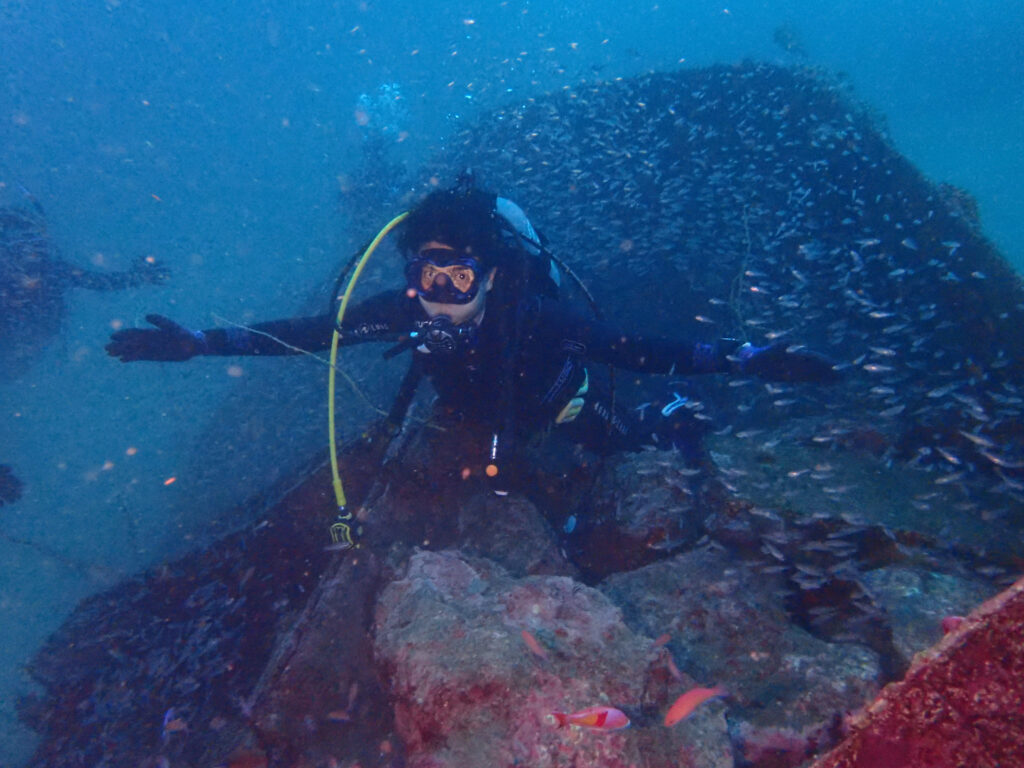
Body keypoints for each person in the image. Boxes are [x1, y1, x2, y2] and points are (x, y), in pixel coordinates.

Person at [106, 179, 838, 492]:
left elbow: (635, 349)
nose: (435, 299)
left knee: (619, 443)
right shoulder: (405, 310)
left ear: (489, 275)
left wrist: (741, 358)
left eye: (455, 281)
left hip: (554, 402)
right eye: (424, 278)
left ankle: (665, 416)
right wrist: (203, 342)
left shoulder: (539, 316)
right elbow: (312, 333)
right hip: (467, 410)